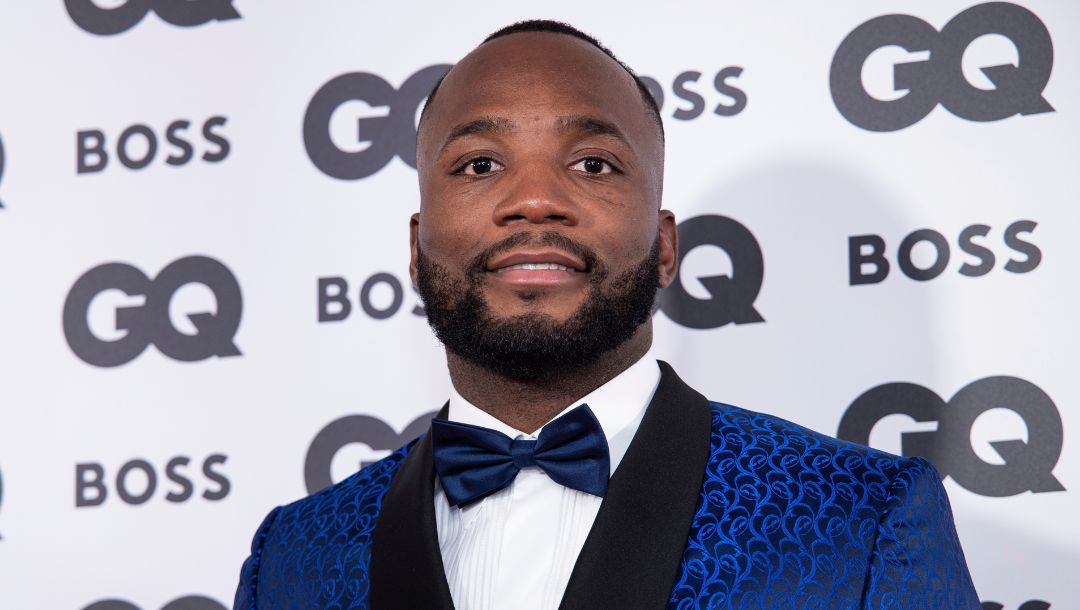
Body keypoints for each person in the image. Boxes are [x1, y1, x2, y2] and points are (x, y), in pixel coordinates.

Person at [233, 20, 980, 610]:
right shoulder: (295, 556)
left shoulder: (860, 516)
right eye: (479, 165)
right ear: (417, 242)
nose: (533, 200)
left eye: (592, 164)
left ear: (663, 247)